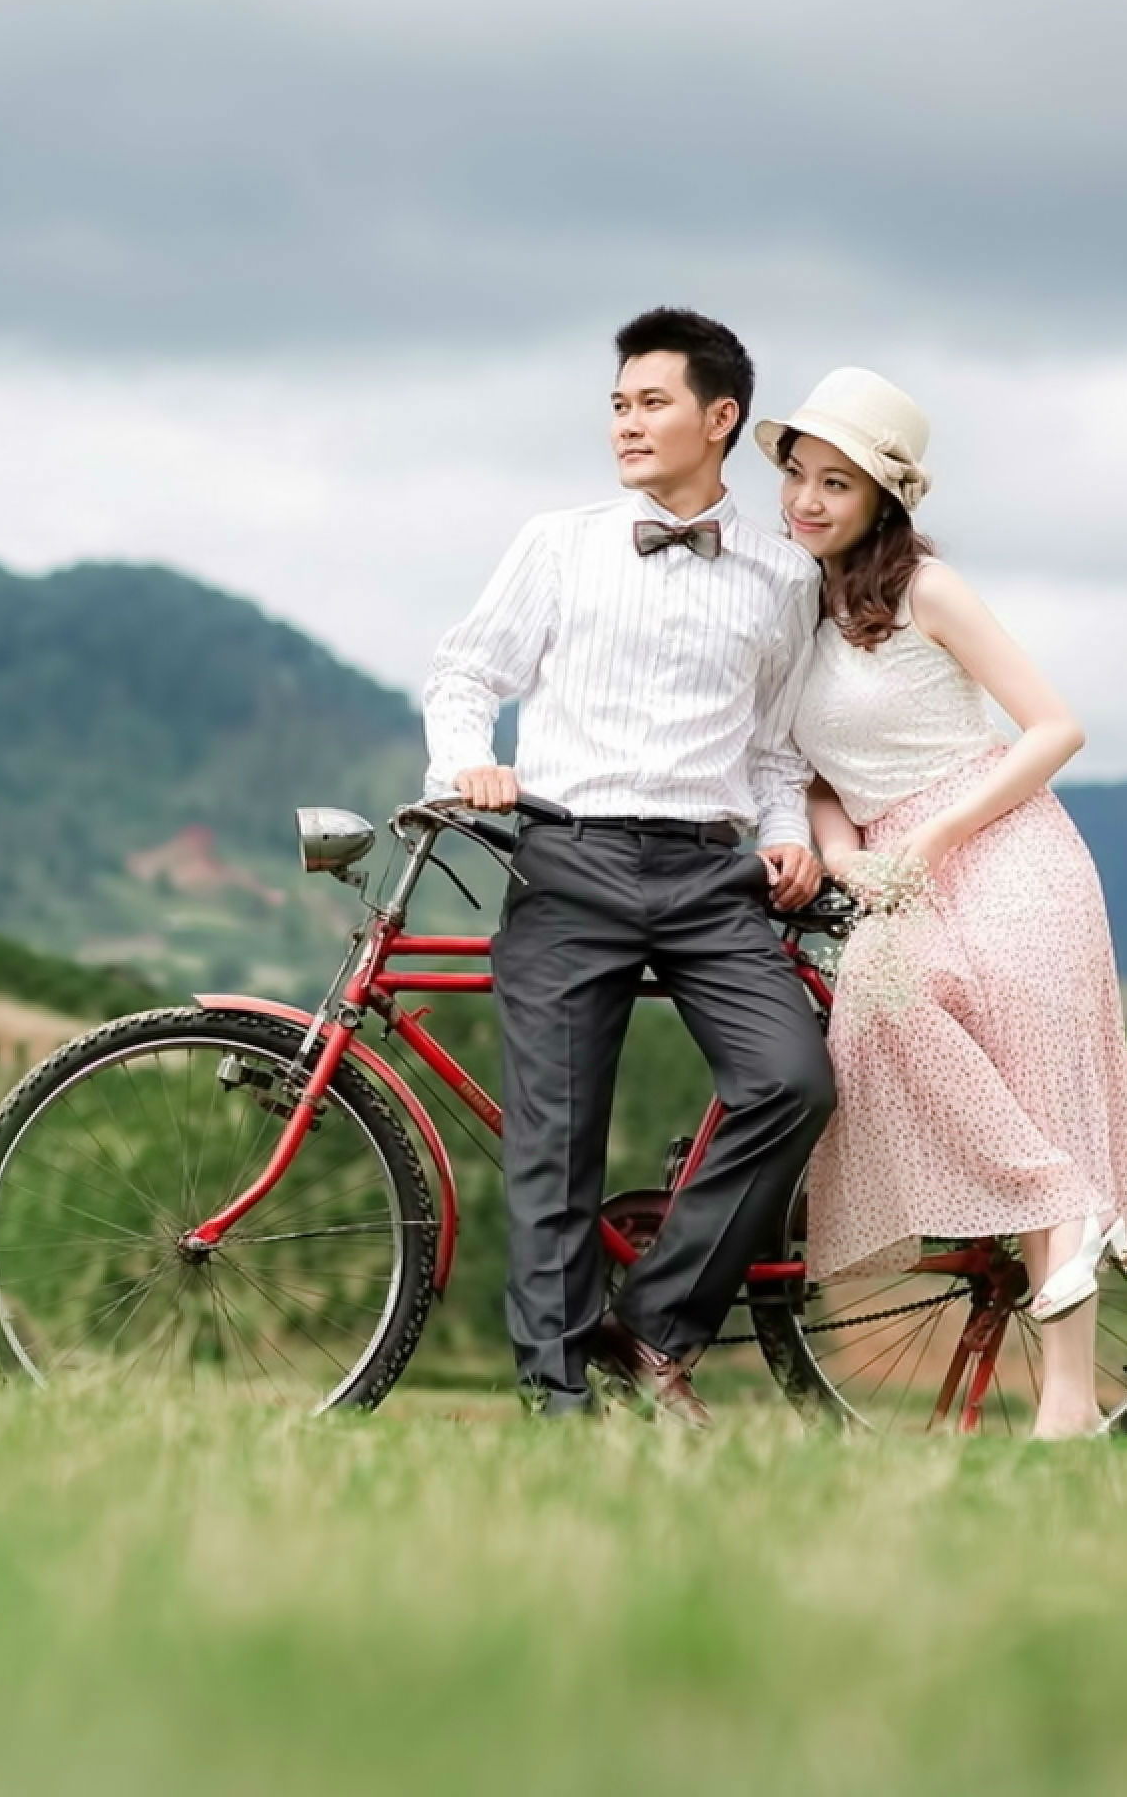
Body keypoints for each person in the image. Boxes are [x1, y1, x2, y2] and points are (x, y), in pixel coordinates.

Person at [421, 307, 831, 1424]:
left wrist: (787, 831)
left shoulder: (786, 579)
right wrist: (470, 765)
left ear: (722, 418)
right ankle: (558, 1403)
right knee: (554, 1144)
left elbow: (776, 749)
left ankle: (651, 1325)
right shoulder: (558, 542)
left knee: (793, 1081)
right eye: (617, 404)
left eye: (652, 402)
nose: (627, 424)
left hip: (712, 878)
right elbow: (464, 677)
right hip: (569, 859)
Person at [762, 367, 1127, 1441]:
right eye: (799, 476)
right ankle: (1060, 1200)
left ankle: (1068, 1406)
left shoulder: (928, 589)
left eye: (838, 483)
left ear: (885, 497)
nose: (809, 501)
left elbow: (1054, 728)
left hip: (1006, 850)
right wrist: (839, 857)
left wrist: (932, 834)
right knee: (881, 999)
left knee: (1029, 1068)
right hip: (889, 866)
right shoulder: (798, 608)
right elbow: (815, 777)